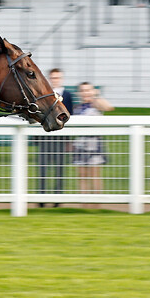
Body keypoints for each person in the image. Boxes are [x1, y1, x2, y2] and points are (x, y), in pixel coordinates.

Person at [36, 69, 75, 207]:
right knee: (42, 169)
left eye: (58, 77)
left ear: (61, 78)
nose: (55, 80)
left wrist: (69, 140)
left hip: (60, 139)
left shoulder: (68, 95)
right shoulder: (44, 93)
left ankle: (57, 199)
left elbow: (70, 116)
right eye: (53, 77)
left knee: (59, 169)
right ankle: (41, 198)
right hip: (45, 139)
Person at [72, 82, 113, 202]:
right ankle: (84, 204)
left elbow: (109, 107)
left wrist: (96, 97)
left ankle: (96, 204)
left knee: (95, 176)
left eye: (88, 90)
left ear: (93, 91)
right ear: (80, 93)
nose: (86, 93)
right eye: (83, 91)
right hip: (80, 145)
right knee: (82, 176)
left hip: (94, 145)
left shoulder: (96, 104)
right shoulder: (77, 108)